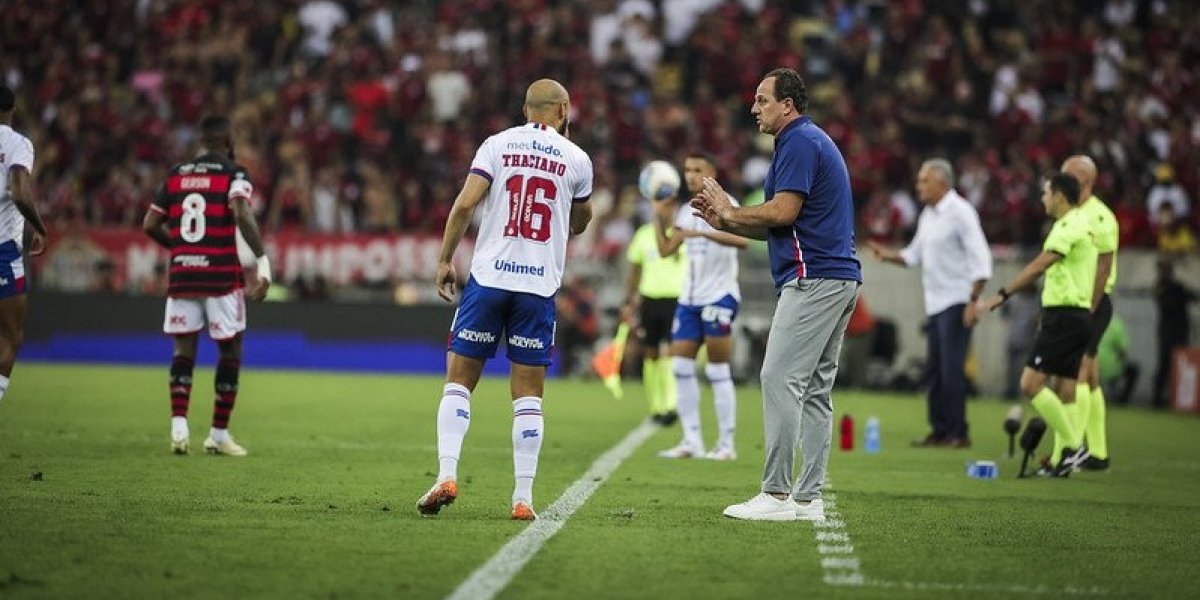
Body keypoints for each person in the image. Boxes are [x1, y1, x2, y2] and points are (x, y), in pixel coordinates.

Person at [416, 79, 593, 521]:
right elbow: (580, 222)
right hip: (537, 288)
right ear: (564, 110)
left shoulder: (496, 144)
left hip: (489, 279)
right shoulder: (577, 159)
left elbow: (463, 206)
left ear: (525, 109)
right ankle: (522, 499)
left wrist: (443, 260)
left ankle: (446, 474)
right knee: (528, 396)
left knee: (458, 382)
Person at [691, 67, 860, 521]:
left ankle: (777, 494)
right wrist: (726, 220)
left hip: (815, 277)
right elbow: (785, 226)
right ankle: (808, 499)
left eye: (763, 100)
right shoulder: (813, 140)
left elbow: (783, 212)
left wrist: (731, 210)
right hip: (839, 276)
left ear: (788, 105)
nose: (754, 107)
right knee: (816, 390)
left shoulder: (798, 142)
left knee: (778, 378)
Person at [142, 115, 271, 457]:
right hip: (220, 276)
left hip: (183, 276)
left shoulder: (176, 175)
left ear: (201, 142)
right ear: (228, 143)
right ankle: (217, 433)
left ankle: (178, 427)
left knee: (183, 349)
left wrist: (180, 249)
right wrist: (262, 261)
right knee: (230, 349)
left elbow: (150, 223)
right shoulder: (233, 173)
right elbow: (242, 214)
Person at [867, 159, 992, 448]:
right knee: (934, 371)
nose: (919, 185)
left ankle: (958, 433)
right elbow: (913, 255)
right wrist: (887, 255)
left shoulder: (961, 212)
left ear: (943, 183)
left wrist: (974, 301)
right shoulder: (929, 214)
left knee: (951, 370)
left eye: (925, 180)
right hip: (935, 303)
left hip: (958, 300)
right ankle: (939, 431)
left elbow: (982, 260)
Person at [982, 173, 1096, 477]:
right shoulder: (1082, 225)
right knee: (1064, 390)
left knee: (1030, 384)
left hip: (1063, 317)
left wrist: (1004, 293)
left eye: (1046, 193)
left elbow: (1038, 266)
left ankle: (1073, 446)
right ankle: (1062, 461)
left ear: (1059, 195)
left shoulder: (1067, 227)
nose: (1043, 198)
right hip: (1079, 316)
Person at [653, 152, 748, 460]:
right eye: (687, 170)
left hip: (719, 295)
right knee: (680, 366)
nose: (690, 175)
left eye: (697, 169)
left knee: (718, 369)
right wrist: (659, 216)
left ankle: (726, 445)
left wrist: (702, 231)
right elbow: (667, 250)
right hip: (689, 300)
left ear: (712, 172)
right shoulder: (684, 211)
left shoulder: (726, 203)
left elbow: (744, 242)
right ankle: (691, 440)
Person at [1062, 155, 1118, 471]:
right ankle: (1098, 452)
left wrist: (1089, 307)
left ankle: (1076, 447)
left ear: (1086, 181)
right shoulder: (1072, 212)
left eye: (1068, 175)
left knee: (1079, 371)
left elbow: (1102, 267)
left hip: (1093, 303)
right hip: (1078, 302)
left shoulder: (1100, 218)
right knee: (1091, 377)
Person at [0, 84, 50, 408]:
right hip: (2, 250)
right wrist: (41, 228)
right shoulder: (17, 144)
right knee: (9, 337)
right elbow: (19, 192)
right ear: (13, 109)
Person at [623, 194, 685, 425]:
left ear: (675, 207)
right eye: (659, 204)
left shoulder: (681, 234)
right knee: (650, 352)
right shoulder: (643, 235)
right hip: (649, 299)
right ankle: (655, 405)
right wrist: (629, 300)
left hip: (676, 299)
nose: (663, 209)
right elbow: (634, 270)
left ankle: (670, 404)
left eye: (668, 204)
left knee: (671, 351)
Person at [1152, 258, 1196, 409]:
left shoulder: (1176, 287)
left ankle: (1177, 399)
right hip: (1168, 332)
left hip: (1179, 331)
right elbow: (1163, 301)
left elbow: (1193, 296)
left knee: (1178, 367)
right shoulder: (1162, 287)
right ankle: (1157, 400)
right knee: (1164, 366)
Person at [1096, 313, 1138, 407]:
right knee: (1134, 370)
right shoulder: (1116, 324)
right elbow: (1123, 350)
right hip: (1114, 367)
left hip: (1093, 366)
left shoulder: (1091, 321)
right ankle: (1123, 400)